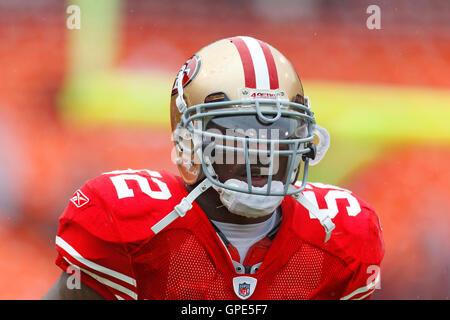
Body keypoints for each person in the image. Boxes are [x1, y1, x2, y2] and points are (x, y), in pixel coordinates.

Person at [43, 36, 384, 300]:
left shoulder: (340, 235)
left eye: (278, 132)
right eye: (240, 133)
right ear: (190, 141)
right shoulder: (130, 223)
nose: (262, 153)